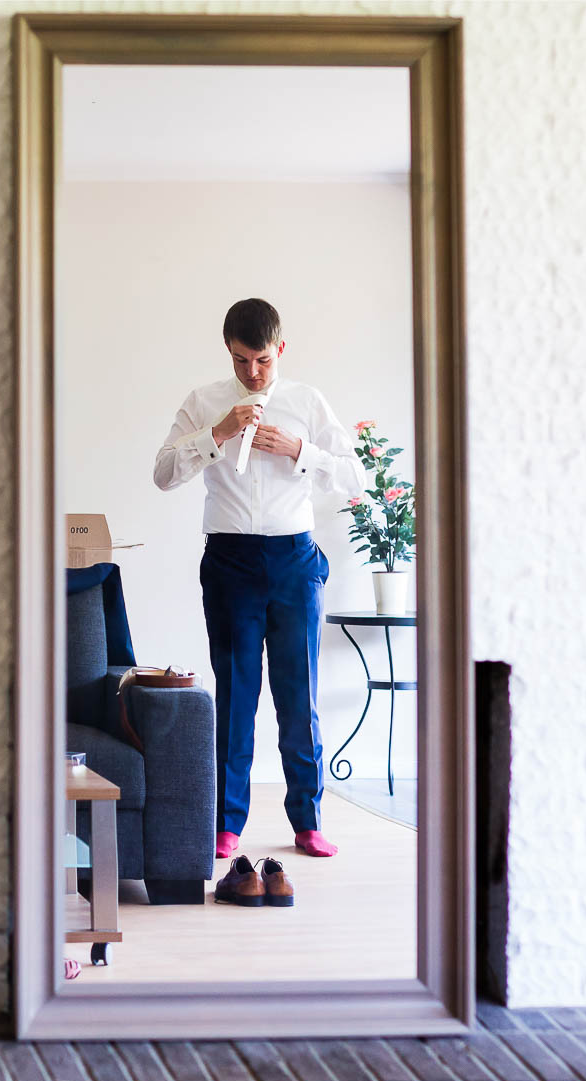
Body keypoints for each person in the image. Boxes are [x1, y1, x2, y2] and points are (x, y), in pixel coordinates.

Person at [153, 299, 365, 861]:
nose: (253, 373)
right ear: (229, 351)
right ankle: (227, 825)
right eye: (243, 361)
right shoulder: (204, 403)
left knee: (300, 698)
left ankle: (308, 820)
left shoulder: (307, 403)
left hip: (294, 562)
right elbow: (163, 475)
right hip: (230, 564)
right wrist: (216, 434)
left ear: (281, 351)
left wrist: (301, 451)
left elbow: (354, 478)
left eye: (264, 361)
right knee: (236, 697)